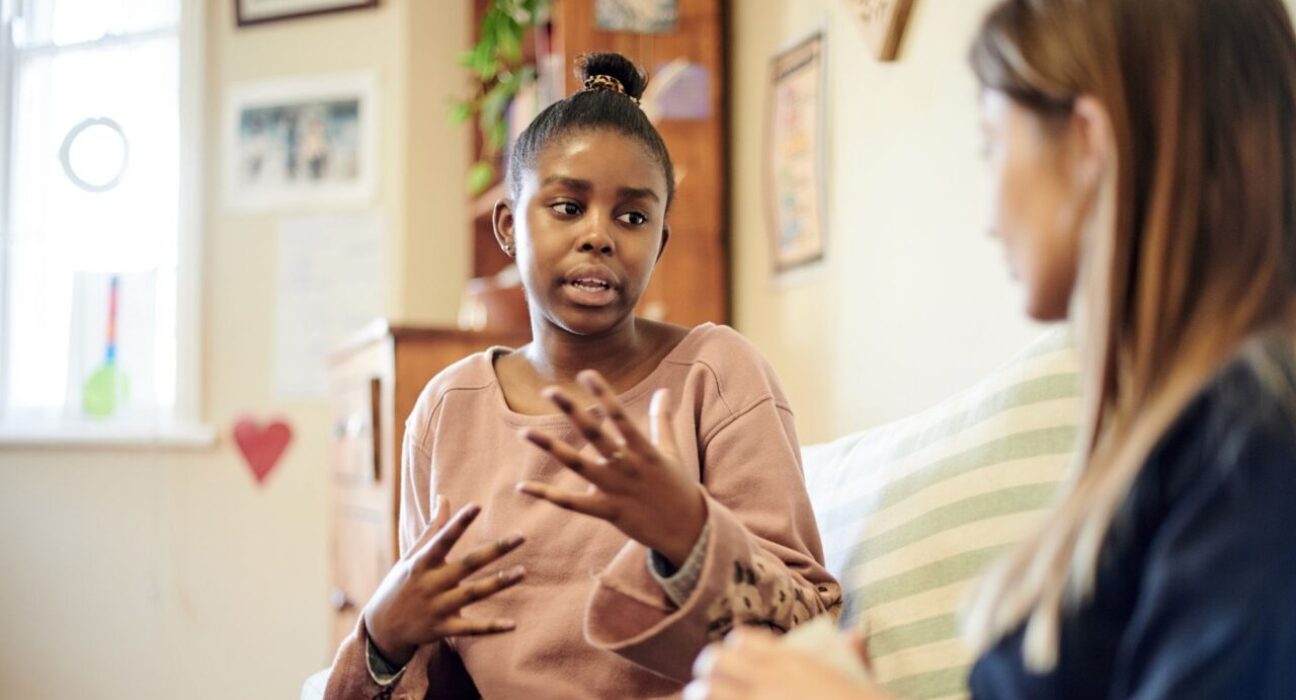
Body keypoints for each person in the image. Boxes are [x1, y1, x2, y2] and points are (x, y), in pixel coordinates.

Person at [688, 0, 1296, 697]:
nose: (987, 216)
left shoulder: (1250, 444)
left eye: (991, 145)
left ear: (1087, 145)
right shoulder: (1176, 433)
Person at [322, 52, 840, 699]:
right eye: (567, 207)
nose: (599, 235)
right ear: (510, 227)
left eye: (632, 217)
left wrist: (688, 531)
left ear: (659, 241)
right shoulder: (447, 409)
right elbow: (426, 659)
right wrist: (381, 636)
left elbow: (806, 639)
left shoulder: (717, 375)